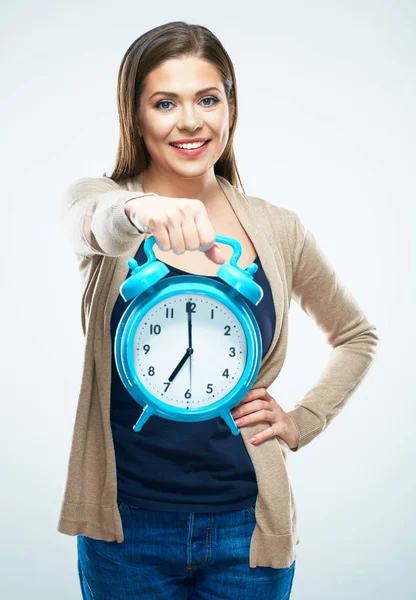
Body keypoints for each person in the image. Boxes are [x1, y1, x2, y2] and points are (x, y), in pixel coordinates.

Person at [59, 21, 379, 600]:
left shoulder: (278, 229)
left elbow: (357, 335)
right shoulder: (103, 204)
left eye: (208, 99)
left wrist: (301, 422)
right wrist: (139, 211)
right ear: (135, 115)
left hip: (248, 532)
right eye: (164, 102)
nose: (189, 121)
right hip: (126, 531)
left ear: (231, 108)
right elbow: (89, 220)